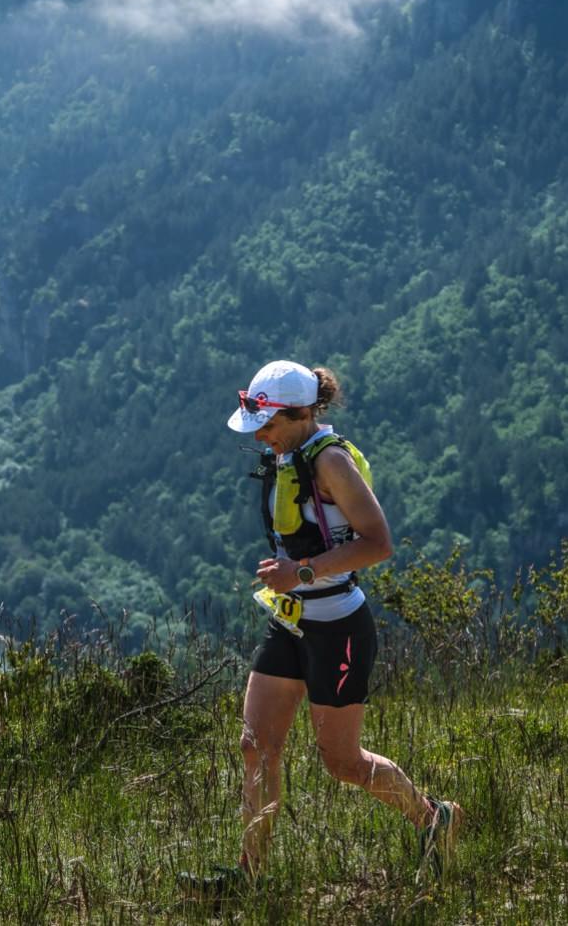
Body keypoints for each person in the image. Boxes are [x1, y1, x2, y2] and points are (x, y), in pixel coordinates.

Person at [182, 359, 461, 902]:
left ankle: (435, 818)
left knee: (343, 764)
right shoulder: (288, 457)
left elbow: (378, 543)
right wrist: (289, 581)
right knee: (254, 746)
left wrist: (300, 573)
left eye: (267, 427)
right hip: (289, 623)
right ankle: (249, 877)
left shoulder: (331, 462)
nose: (261, 438)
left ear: (302, 414)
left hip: (339, 629)